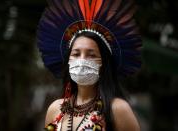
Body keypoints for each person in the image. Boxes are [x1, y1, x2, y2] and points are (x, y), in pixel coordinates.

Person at [37, 0, 142, 130]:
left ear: (103, 63)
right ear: (68, 61)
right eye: (76, 54)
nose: (82, 60)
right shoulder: (55, 109)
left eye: (91, 55)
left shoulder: (118, 109)